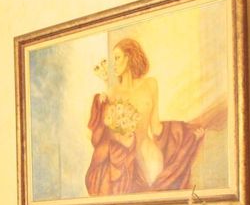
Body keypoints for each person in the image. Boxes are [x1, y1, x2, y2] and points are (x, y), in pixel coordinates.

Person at [85, 38, 209, 196]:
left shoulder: (151, 84)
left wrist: (188, 134)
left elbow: (156, 128)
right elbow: (104, 133)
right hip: (128, 163)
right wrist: (101, 104)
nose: (113, 64)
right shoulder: (112, 93)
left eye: (117, 58)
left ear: (128, 57)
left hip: (151, 155)